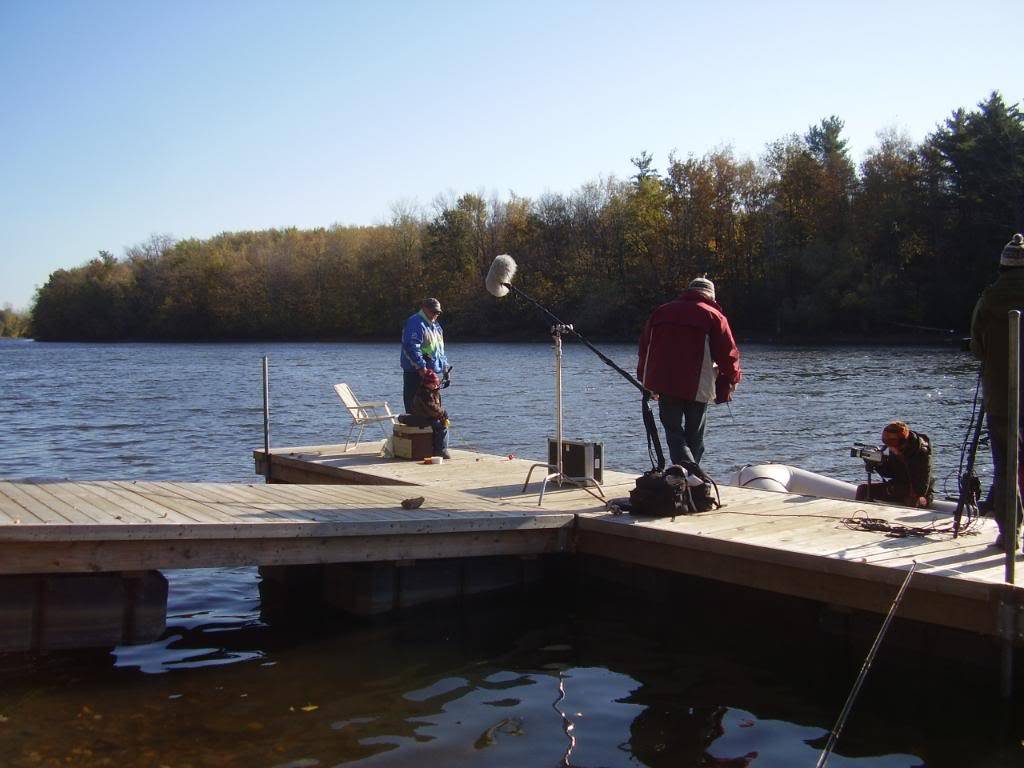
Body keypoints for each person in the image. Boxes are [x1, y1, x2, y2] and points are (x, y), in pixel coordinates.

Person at [636, 276, 741, 466]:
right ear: (711, 296)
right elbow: (728, 354)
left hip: (664, 383)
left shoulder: (661, 312)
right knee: (695, 435)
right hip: (698, 385)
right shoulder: (714, 316)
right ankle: (692, 475)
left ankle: (684, 474)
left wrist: (645, 380)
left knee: (673, 432)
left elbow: (645, 349)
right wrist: (733, 378)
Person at [970, 233, 1024, 549]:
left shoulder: (988, 300)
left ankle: (1009, 535)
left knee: (1006, 467)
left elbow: (977, 348)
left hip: (1002, 400)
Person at [855, 421, 934, 507]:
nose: (890, 448)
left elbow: (922, 483)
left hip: (919, 491)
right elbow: (891, 472)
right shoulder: (894, 446)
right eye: (888, 445)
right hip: (897, 486)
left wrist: (917, 496)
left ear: (903, 443)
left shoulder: (921, 453)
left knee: (911, 500)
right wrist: (879, 464)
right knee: (863, 490)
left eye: (892, 446)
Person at [400, 297, 449, 415]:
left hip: (432, 377)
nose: (435, 314)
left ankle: (433, 432)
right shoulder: (415, 322)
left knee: (434, 412)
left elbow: (439, 351)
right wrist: (421, 368)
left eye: (437, 312)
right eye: (433, 311)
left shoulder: (437, 327)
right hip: (416, 375)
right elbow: (410, 346)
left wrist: (445, 368)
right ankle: (413, 432)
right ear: (424, 308)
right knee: (415, 411)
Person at [407, 369, 451, 459]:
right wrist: (443, 412)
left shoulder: (433, 392)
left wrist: (441, 415)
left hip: (428, 417)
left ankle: (436, 448)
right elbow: (432, 409)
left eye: (436, 383)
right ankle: (440, 451)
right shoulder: (424, 393)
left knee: (440, 423)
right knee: (442, 426)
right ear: (427, 383)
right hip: (422, 418)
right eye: (433, 383)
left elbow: (435, 409)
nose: (436, 385)